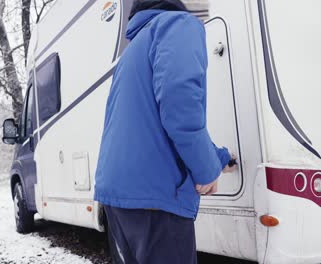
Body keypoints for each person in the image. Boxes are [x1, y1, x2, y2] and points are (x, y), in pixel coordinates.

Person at [94, 0, 237, 263]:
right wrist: (206, 170)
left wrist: (217, 157)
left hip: (119, 197)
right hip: (155, 198)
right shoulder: (177, 25)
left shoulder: (132, 50)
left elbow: (150, 128)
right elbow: (179, 108)